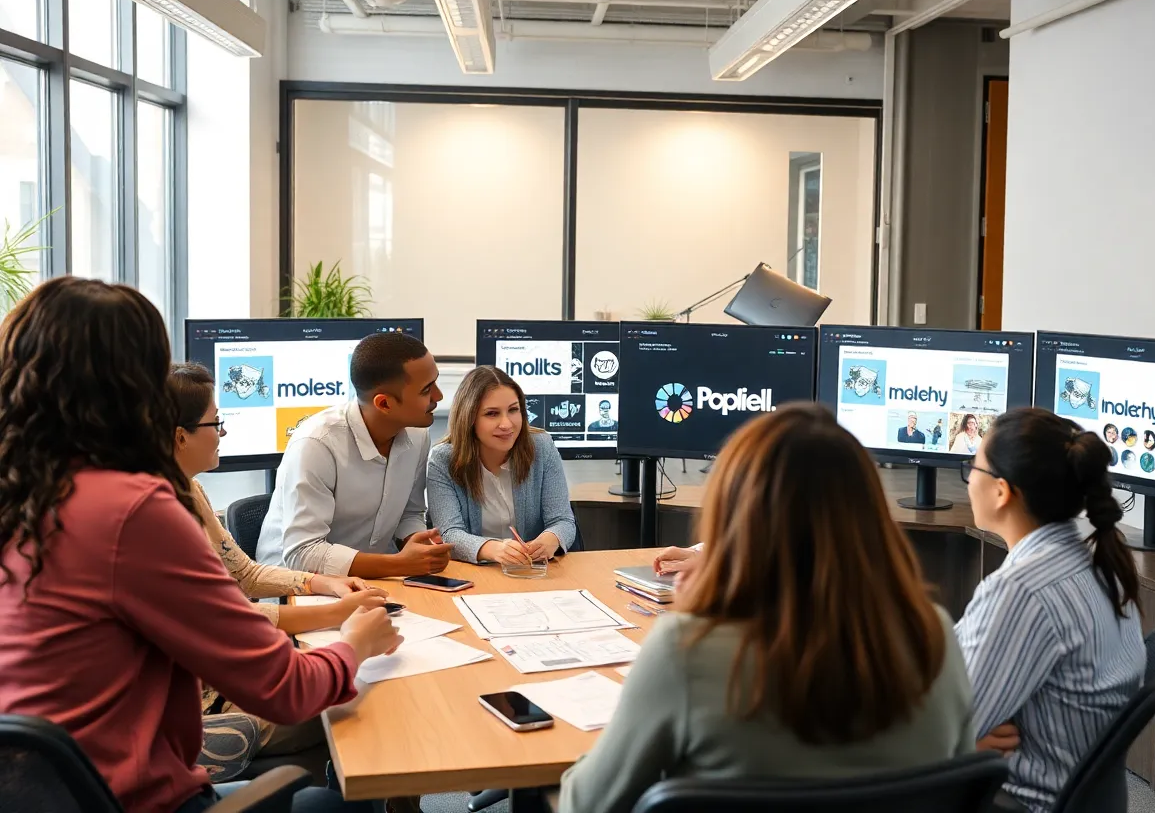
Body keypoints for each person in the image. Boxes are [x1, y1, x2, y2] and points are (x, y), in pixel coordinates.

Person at [0, 277, 402, 813]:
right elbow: (285, 688)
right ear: (135, 385)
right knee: (356, 765)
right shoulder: (133, 509)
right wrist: (354, 641)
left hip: (52, 791)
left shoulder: (24, 490)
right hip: (136, 795)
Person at [559, 403, 974, 813]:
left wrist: (693, 619)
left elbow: (587, 803)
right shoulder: (933, 635)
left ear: (734, 518)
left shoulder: (686, 650)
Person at [169, 362, 390, 778]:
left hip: (228, 668)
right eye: (216, 422)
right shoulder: (158, 521)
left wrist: (320, 582)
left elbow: (245, 575)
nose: (223, 432)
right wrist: (339, 615)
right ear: (181, 436)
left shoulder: (192, 491)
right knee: (351, 701)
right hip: (203, 703)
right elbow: (222, 618)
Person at [956, 407, 1145, 812]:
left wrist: (960, 743)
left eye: (973, 466)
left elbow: (951, 726)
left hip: (1020, 799)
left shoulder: (1022, 592)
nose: (969, 477)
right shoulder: (1098, 560)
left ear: (1002, 491)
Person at [257, 332, 453, 578]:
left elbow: (409, 513)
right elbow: (303, 554)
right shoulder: (317, 444)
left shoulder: (417, 435)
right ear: (384, 404)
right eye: (426, 390)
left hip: (372, 579)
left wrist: (417, 544)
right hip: (296, 586)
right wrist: (401, 565)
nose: (439, 396)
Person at [428, 366, 577, 564]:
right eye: (492, 414)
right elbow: (449, 533)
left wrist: (550, 540)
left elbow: (563, 521)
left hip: (531, 574)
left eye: (513, 410)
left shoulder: (541, 446)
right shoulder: (442, 460)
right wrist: (494, 549)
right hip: (476, 575)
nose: (506, 424)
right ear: (469, 418)